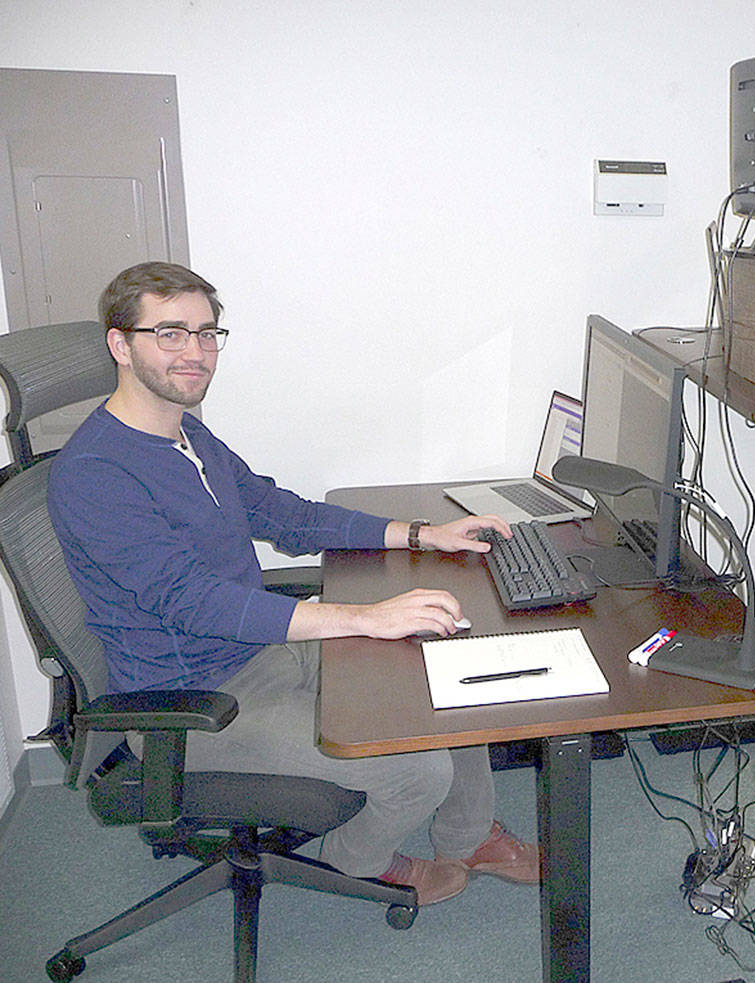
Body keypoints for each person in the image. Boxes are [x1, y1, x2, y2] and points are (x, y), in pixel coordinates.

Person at [48, 260, 538, 903]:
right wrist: (365, 616)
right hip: (199, 701)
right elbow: (193, 602)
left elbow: (281, 513)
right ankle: (353, 860)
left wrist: (421, 533)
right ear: (121, 344)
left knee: (443, 674)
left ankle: (467, 836)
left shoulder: (183, 431)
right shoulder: (97, 473)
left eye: (206, 333)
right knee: (419, 769)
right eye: (170, 333)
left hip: (266, 650)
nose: (195, 353)